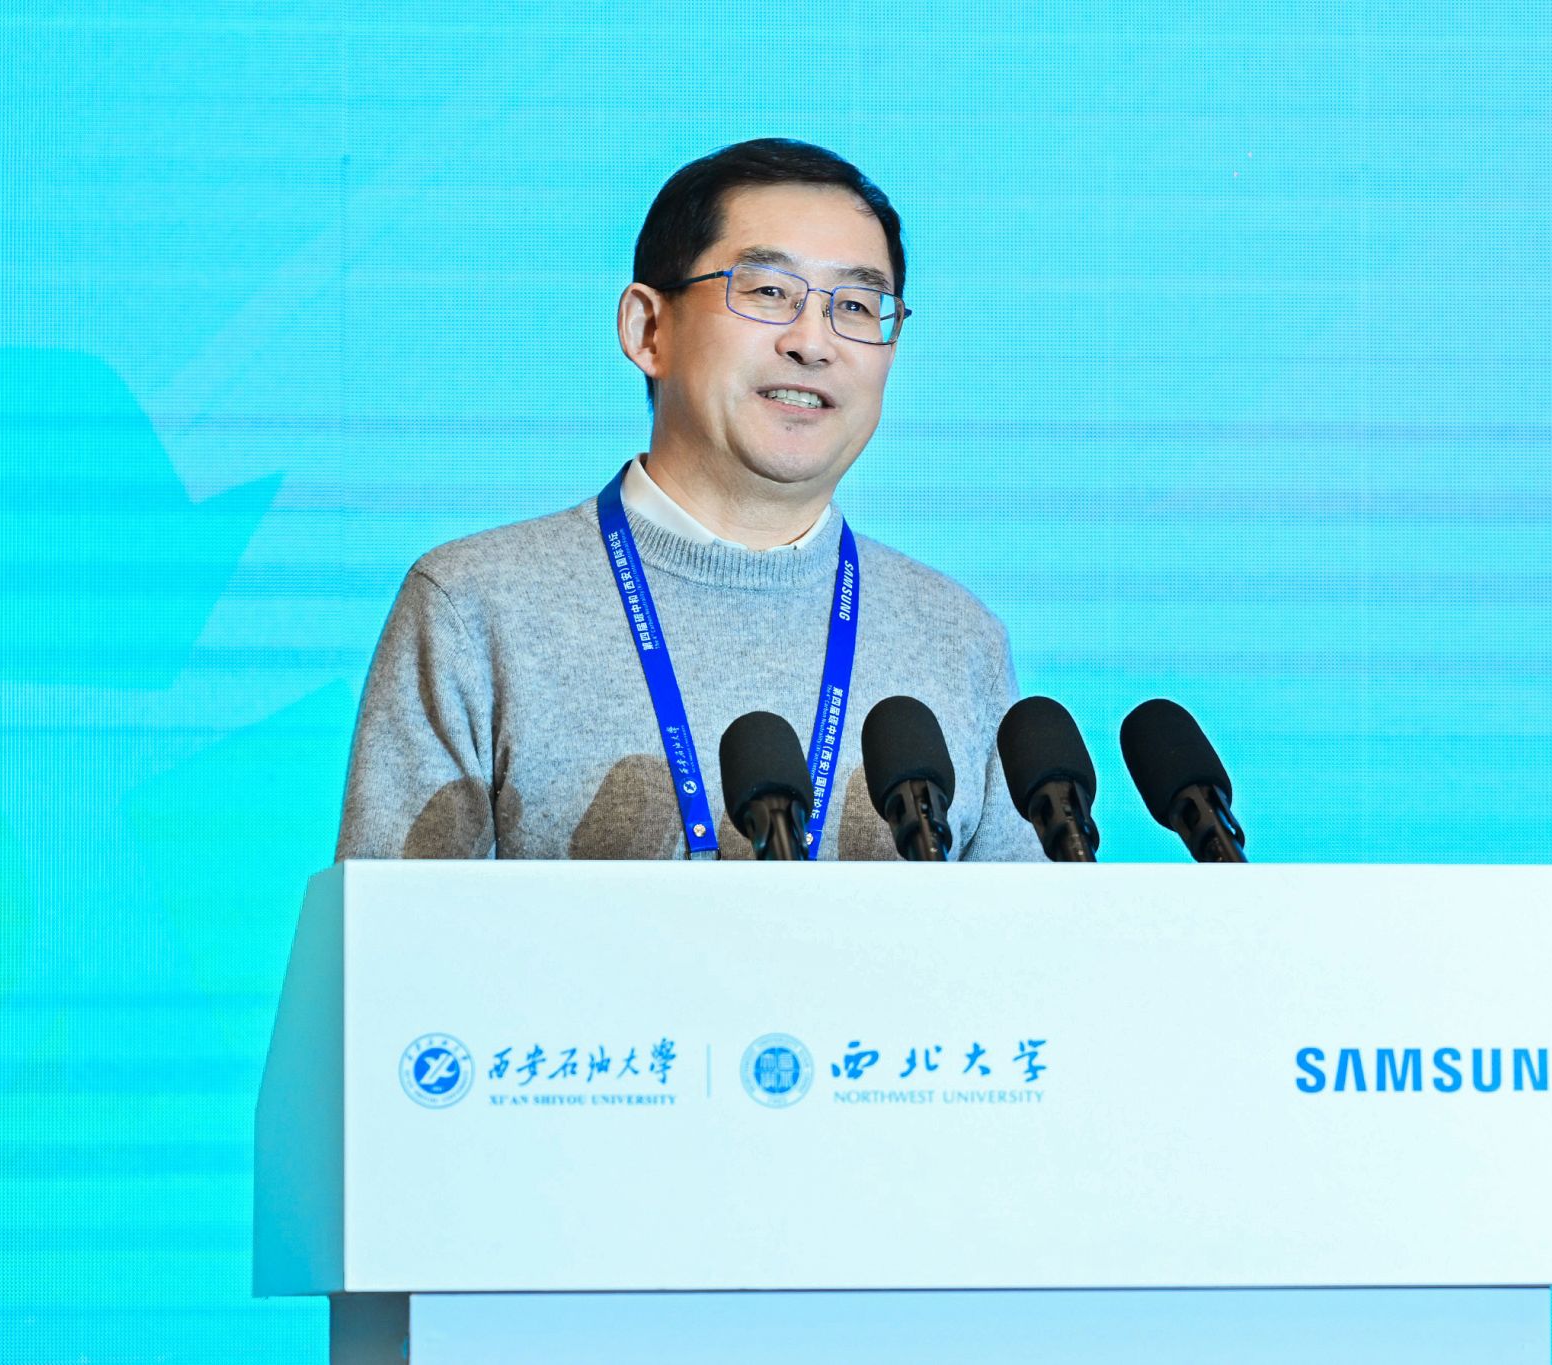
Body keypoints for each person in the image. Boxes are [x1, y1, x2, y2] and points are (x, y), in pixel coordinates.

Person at [336, 139, 1043, 862]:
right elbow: (390, 928)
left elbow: (1031, 933)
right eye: (769, 292)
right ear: (649, 329)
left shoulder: (959, 640)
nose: (814, 342)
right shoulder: (474, 609)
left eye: (857, 306)